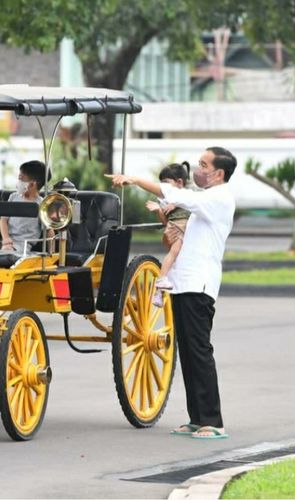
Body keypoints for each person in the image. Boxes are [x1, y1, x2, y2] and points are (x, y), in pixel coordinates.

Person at [106, 146, 237, 440]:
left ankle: (213, 421)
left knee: (199, 351)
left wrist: (136, 180)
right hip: (184, 282)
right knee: (188, 353)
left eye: (204, 165)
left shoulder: (218, 198)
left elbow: (177, 196)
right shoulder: (207, 200)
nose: (198, 170)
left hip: (198, 285)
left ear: (218, 173)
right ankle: (197, 418)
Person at [145, 162, 191, 307]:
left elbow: (187, 200)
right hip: (176, 228)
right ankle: (161, 280)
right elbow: (166, 221)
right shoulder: (166, 200)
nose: (163, 187)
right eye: (161, 183)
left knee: (173, 262)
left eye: (166, 183)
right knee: (172, 255)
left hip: (181, 228)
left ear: (179, 183)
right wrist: (159, 210)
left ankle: (159, 292)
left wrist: (175, 203)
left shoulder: (185, 195)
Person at [0, 160, 48, 253]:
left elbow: (48, 230)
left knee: (7, 252)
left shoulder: (42, 205)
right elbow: (3, 220)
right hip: (5, 241)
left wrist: (51, 252)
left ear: (32, 184)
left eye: (21, 179)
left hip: (22, 245)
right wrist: (6, 239)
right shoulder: (13, 197)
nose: (18, 182)